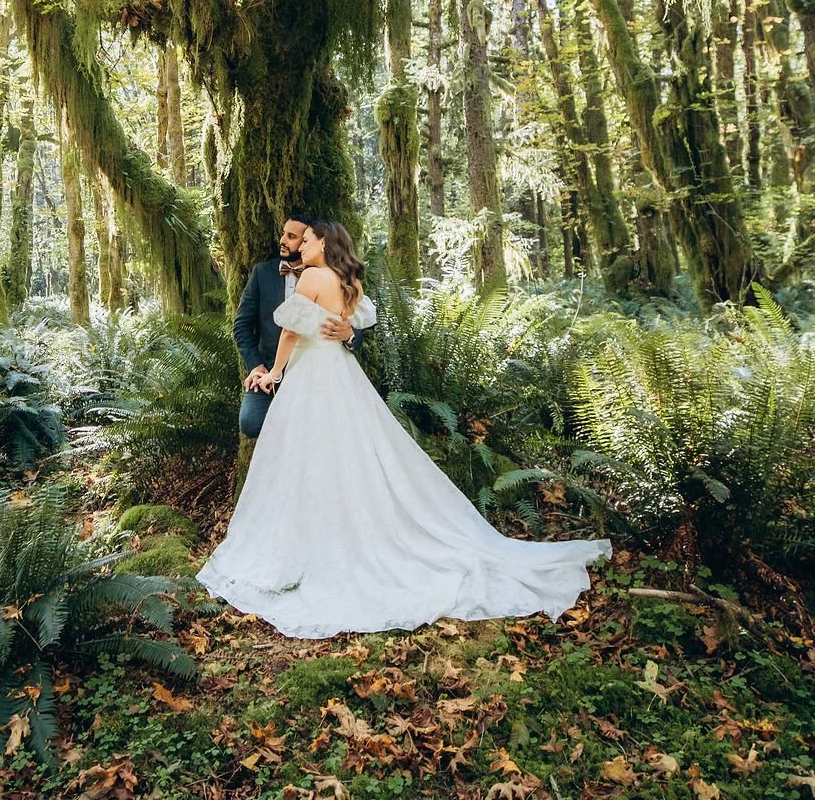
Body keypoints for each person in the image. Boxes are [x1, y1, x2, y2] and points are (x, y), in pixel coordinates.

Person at [197, 220, 611, 639]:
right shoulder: (345, 280)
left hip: (312, 375)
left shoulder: (316, 276)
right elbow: (341, 318)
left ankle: (315, 542)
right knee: (344, 451)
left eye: (306, 240)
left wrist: (277, 374)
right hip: (338, 374)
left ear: (323, 243)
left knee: (311, 454)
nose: (299, 246)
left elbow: (290, 330)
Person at [232, 214, 373, 439]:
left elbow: (291, 331)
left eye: (296, 237)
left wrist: (349, 335)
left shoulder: (311, 276)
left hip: (312, 368)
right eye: (283, 234)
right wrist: (258, 367)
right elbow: (241, 325)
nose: (283, 240)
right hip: (274, 365)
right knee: (251, 423)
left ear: (322, 242)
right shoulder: (350, 280)